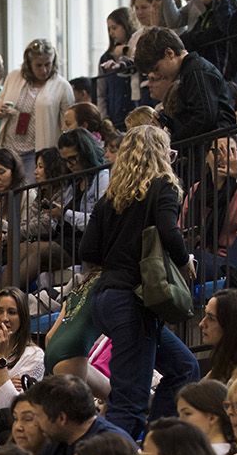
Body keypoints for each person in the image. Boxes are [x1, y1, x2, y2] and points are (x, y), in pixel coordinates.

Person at [77, 123, 200, 438]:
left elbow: (87, 249)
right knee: (129, 401)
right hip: (133, 301)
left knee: (184, 367)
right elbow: (169, 230)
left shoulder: (111, 198)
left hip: (105, 300)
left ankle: (154, 440)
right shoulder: (163, 185)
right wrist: (185, 261)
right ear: (160, 153)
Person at [0, 38, 74, 177]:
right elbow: (0, 102)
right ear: (29, 64)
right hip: (9, 148)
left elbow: (68, 123)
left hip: (37, 152)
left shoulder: (62, 86)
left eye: (48, 64)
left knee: (31, 194)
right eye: (38, 65)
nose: (44, 70)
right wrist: (0, 109)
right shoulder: (14, 76)